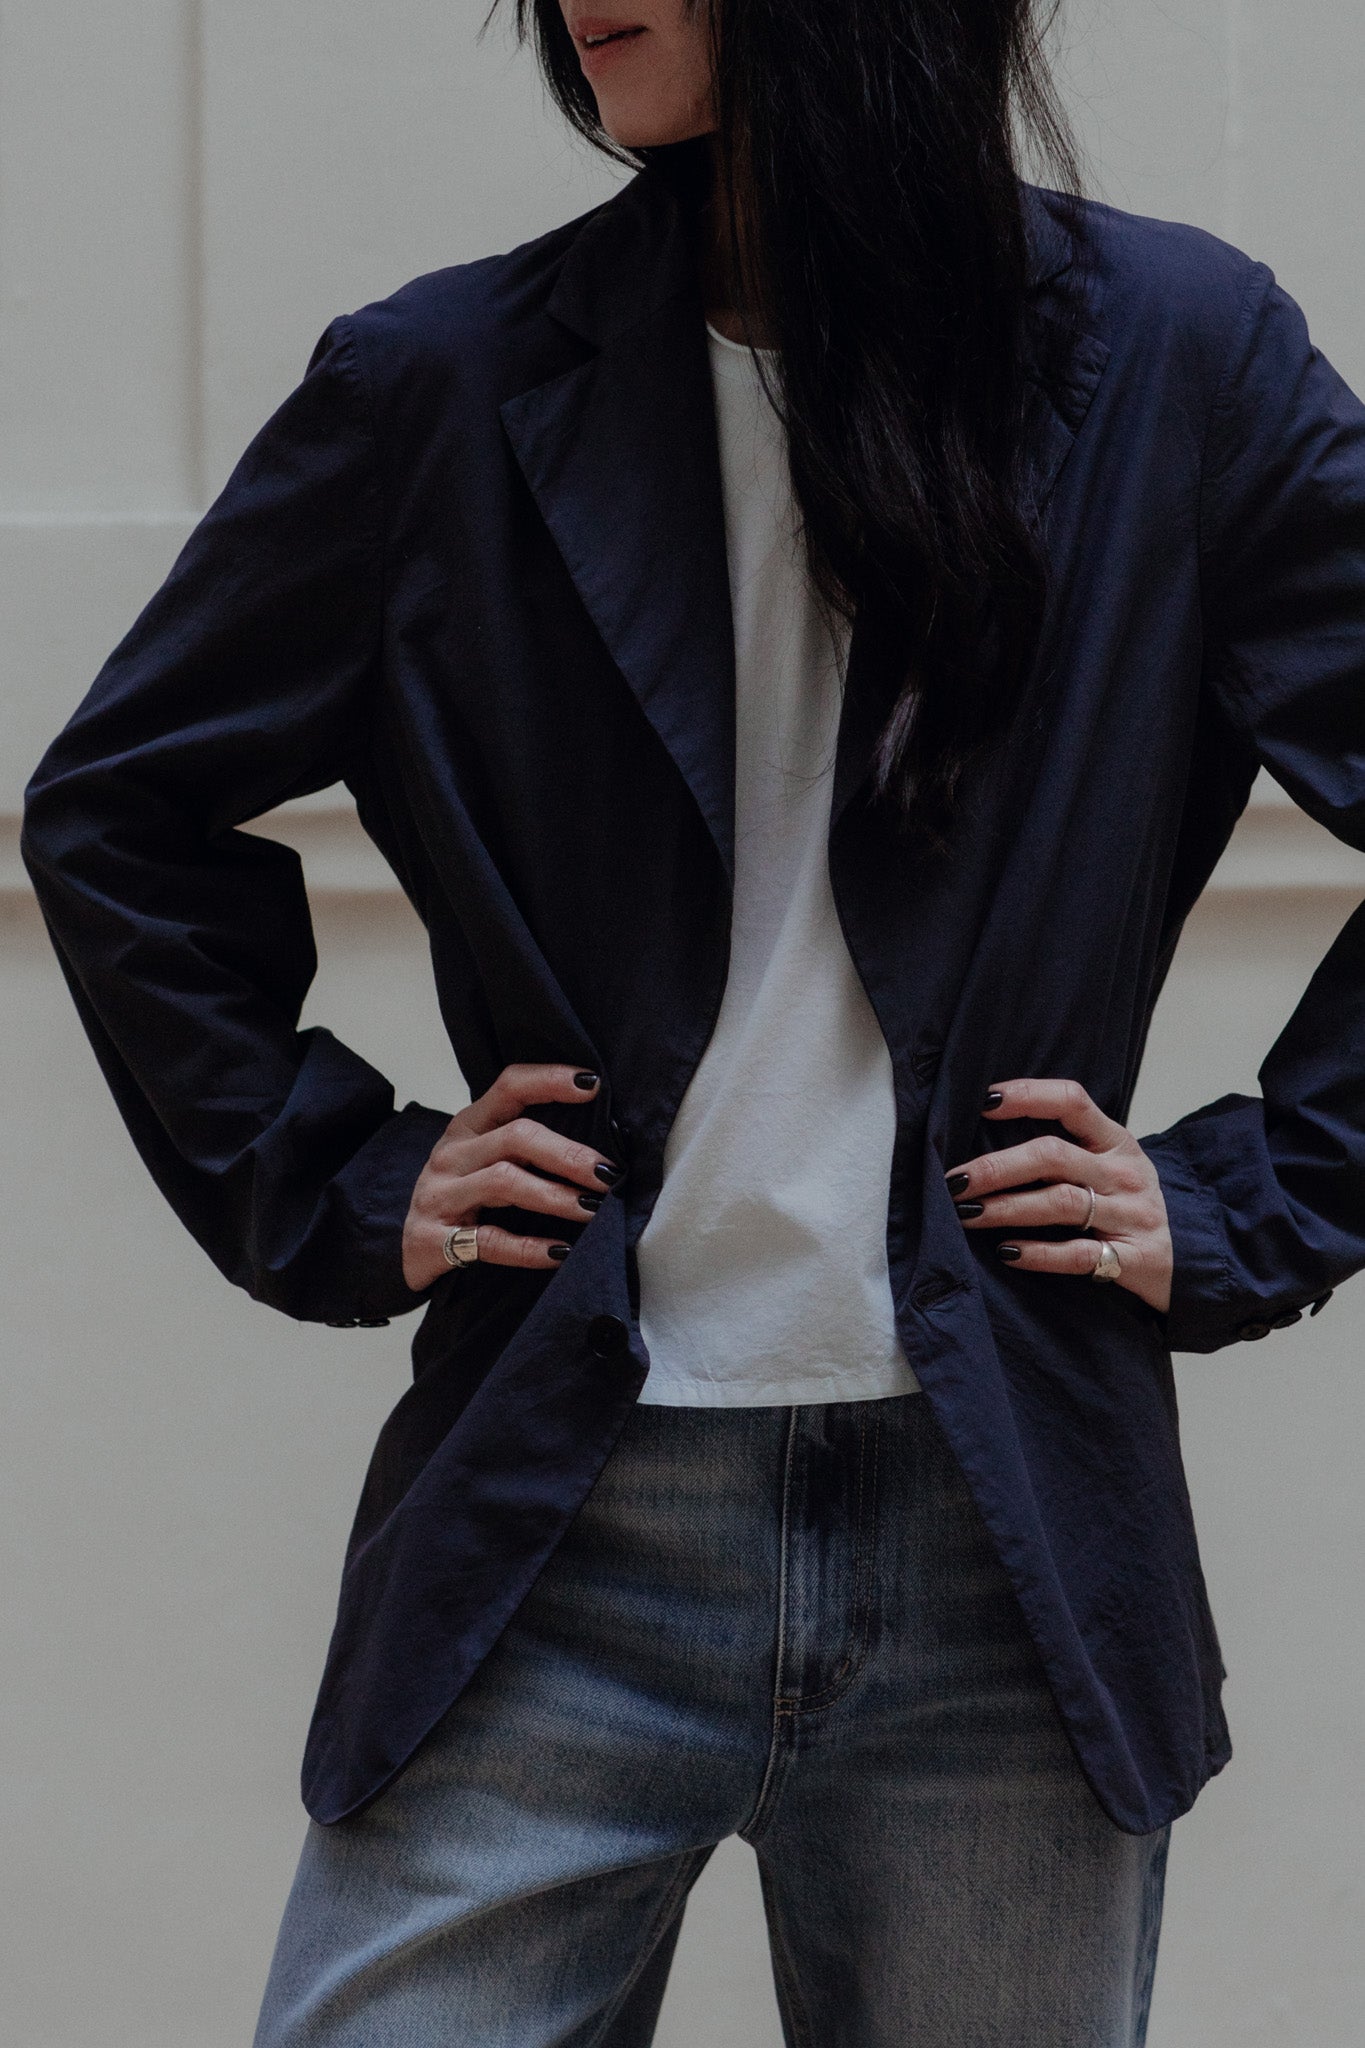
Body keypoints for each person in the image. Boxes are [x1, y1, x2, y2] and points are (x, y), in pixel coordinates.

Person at [21, 0, 1365, 2040]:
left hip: (998, 1539)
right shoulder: (441, 383)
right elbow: (121, 810)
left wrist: (1251, 1198)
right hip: (563, 1516)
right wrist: (341, 1174)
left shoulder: (1178, 359)